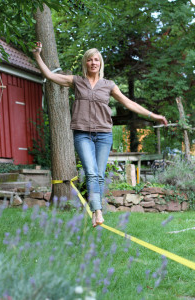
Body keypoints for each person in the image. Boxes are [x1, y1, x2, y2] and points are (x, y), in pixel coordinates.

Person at [33, 42, 168, 227]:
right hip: (82, 134)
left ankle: (96, 211)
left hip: (104, 135)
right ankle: (97, 212)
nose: (93, 62)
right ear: (85, 63)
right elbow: (49, 75)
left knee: (99, 174)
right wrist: (37, 55)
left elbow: (129, 104)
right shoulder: (76, 81)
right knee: (91, 171)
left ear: (100, 63)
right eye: (90, 60)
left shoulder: (109, 85)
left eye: (96, 59)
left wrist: (153, 116)